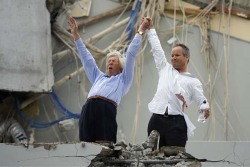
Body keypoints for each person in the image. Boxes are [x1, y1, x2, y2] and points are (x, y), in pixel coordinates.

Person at [68, 16, 149, 144]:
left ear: (120, 66)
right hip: (88, 108)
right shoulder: (98, 77)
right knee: (85, 143)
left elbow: (131, 54)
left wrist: (140, 30)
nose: (109, 62)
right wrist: (76, 35)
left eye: (113, 61)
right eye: (108, 61)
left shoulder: (123, 79)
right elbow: (86, 58)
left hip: (105, 109)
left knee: (104, 142)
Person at [144, 17, 210, 148]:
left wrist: (205, 107)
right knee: (151, 154)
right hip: (156, 119)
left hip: (177, 122)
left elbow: (200, 99)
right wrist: (150, 29)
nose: (173, 58)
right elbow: (157, 50)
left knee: (175, 156)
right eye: (172, 55)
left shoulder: (193, 81)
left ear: (187, 58)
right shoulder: (164, 68)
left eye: (177, 55)